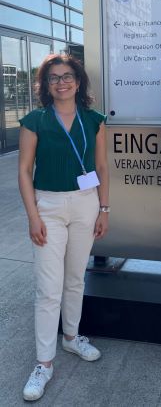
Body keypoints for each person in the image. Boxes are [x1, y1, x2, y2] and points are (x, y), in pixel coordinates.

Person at [18, 54, 109, 401]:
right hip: (49, 206)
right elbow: (25, 170)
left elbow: (101, 166)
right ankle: (44, 363)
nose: (61, 82)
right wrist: (33, 216)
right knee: (47, 287)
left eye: (67, 75)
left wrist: (104, 208)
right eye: (54, 77)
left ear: (78, 80)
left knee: (75, 278)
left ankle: (71, 338)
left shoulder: (94, 120)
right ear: (46, 85)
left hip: (86, 203)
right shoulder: (34, 121)